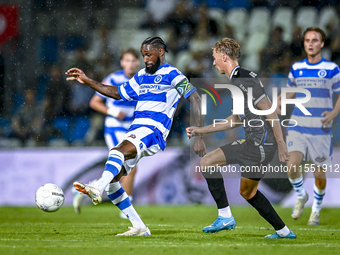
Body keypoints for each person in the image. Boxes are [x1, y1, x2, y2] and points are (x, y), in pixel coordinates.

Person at [66, 37, 206, 236]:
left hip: (154, 129)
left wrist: (199, 133)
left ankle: (97, 186)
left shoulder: (172, 74)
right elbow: (116, 93)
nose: (145, 59)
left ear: (161, 52)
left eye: (149, 54)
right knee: (115, 183)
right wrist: (87, 80)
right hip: (137, 128)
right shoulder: (141, 76)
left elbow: (196, 98)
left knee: (117, 151)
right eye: (143, 55)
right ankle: (139, 226)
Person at [186, 37, 296, 239]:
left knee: (207, 162)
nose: (213, 62)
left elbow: (270, 111)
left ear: (224, 57)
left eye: (215, 58)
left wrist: (281, 144)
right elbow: (235, 120)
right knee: (248, 192)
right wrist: (202, 131)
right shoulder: (237, 80)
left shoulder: (242, 79)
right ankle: (284, 232)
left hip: (259, 143)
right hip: (259, 143)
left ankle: (225, 216)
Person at [277, 27, 340, 226]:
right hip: (298, 124)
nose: (310, 44)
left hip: (320, 128)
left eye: (315, 40)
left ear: (322, 44)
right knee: (292, 166)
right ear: (304, 43)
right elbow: (291, 91)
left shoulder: (332, 69)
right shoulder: (297, 68)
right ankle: (301, 195)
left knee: (319, 174)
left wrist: (332, 113)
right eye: (307, 40)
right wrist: (280, 100)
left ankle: (316, 210)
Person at [72, 48, 140, 216]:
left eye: (133, 61)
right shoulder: (113, 78)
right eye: (127, 60)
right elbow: (94, 102)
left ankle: (87, 188)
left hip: (132, 128)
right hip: (115, 127)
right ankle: (127, 208)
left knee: (123, 170)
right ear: (122, 62)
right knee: (130, 167)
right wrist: (113, 112)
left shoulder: (141, 80)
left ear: (138, 63)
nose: (130, 64)